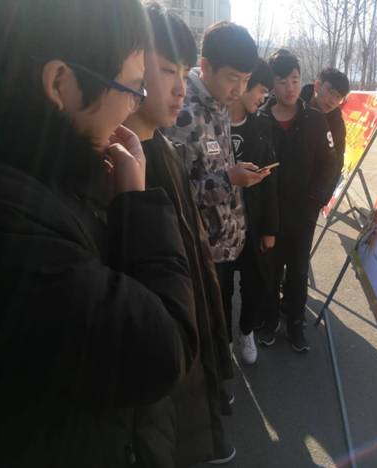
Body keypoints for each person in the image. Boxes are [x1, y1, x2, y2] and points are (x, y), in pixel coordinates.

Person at [0, 1, 199, 467]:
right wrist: (137, 207)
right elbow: (163, 350)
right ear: (59, 83)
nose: (133, 106)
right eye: (131, 87)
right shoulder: (15, 227)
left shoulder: (45, 174)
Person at [124, 4, 234, 465]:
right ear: (130, 65)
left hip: (188, 323)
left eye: (185, 73)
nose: (180, 87)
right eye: (168, 70)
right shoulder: (118, 163)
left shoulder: (164, 148)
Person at [164, 22, 268, 354]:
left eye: (246, 80)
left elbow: (211, 164)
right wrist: (229, 179)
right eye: (233, 78)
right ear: (205, 66)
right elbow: (174, 193)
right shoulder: (181, 113)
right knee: (208, 324)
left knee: (221, 315)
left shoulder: (218, 101)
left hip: (226, 241)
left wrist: (233, 173)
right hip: (201, 250)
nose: (239, 89)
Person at [258, 49, 337, 352]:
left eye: (295, 80)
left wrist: (315, 199)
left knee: (298, 270)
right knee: (270, 270)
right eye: (282, 82)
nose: (290, 88)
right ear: (272, 84)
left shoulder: (315, 120)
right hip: (270, 214)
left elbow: (331, 164)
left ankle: (295, 324)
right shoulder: (261, 119)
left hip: (303, 212)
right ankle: (268, 321)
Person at [228, 58, 278, 364]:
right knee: (221, 287)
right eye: (261, 90)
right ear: (244, 83)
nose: (263, 98)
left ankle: (246, 331)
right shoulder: (213, 119)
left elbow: (270, 179)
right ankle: (222, 339)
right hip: (219, 224)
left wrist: (270, 228)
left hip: (253, 222)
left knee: (253, 282)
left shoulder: (261, 125)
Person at [300, 67, 350, 187]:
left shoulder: (336, 124)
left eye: (339, 97)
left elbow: (336, 164)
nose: (333, 101)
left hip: (312, 189)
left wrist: (320, 196)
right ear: (317, 85)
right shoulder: (294, 105)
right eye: (331, 92)